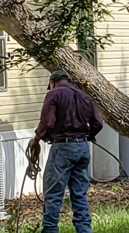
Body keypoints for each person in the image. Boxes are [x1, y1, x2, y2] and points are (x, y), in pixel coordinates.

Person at [30, 70, 103, 233]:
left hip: (62, 147)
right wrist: (87, 136)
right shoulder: (84, 96)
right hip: (82, 148)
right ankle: (84, 229)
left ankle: (50, 230)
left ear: (52, 81)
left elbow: (47, 122)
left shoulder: (54, 94)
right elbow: (98, 123)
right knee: (79, 193)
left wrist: (36, 139)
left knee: (54, 194)